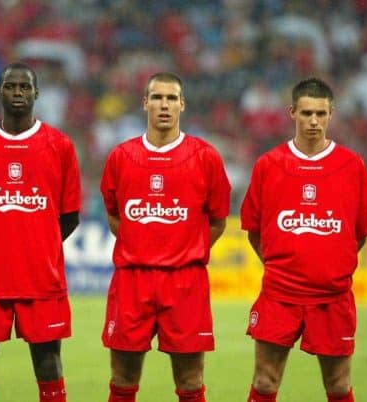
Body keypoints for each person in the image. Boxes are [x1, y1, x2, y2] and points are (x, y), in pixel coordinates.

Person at [240, 77, 367, 402]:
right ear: (292, 113)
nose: (313, 121)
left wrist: (329, 266)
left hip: (332, 297)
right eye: (306, 114)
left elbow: (357, 234)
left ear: (331, 114)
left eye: (320, 114)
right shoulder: (269, 165)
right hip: (279, 294)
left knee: (339, 385)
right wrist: (283, 266)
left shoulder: (351, 166)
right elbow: (254, 230)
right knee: (264, 380)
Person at [0, 62, 81, 402]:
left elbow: (69, 217)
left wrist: (37, 246)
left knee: (49, 364)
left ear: (37, 93)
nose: (18, 92)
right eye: (11, 86)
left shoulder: (60, 145)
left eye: (25, 87)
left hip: (41, 279)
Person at [100, 72, 231, 402]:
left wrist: (185, 248)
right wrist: (140, 244)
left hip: (186, 282)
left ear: (182, 105)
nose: (164, 104)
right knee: (123, 377)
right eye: (157, 97)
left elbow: (217, 220)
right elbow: (115, 215)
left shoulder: (205, 157)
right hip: (132, 281)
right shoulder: (121, 157)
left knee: (190, 380)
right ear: (145, 103)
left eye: (171, 98)